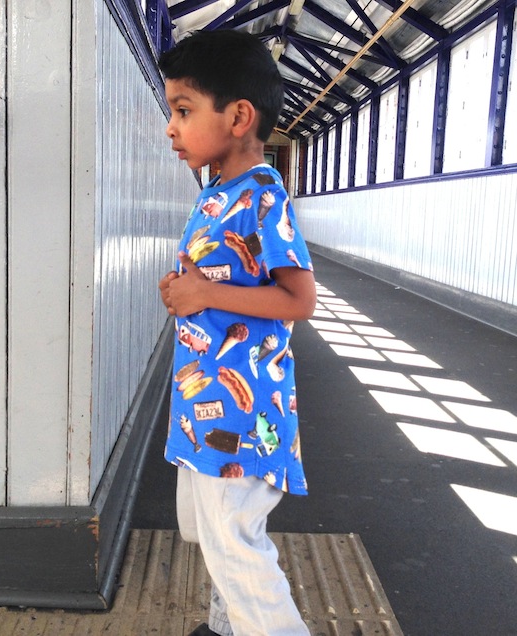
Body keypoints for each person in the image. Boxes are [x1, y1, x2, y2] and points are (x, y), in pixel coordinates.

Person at [158, 29, 316, 636]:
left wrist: (203, 295)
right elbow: (217, 274)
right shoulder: (217, 193)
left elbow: (300, 299)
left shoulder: (263, 197)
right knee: (212, 534)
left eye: (184, 110)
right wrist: (184, 290)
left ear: (239, 116)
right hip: (203, 402)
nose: (171, 128)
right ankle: (226, 628)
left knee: (234, 543)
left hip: (242, 414)